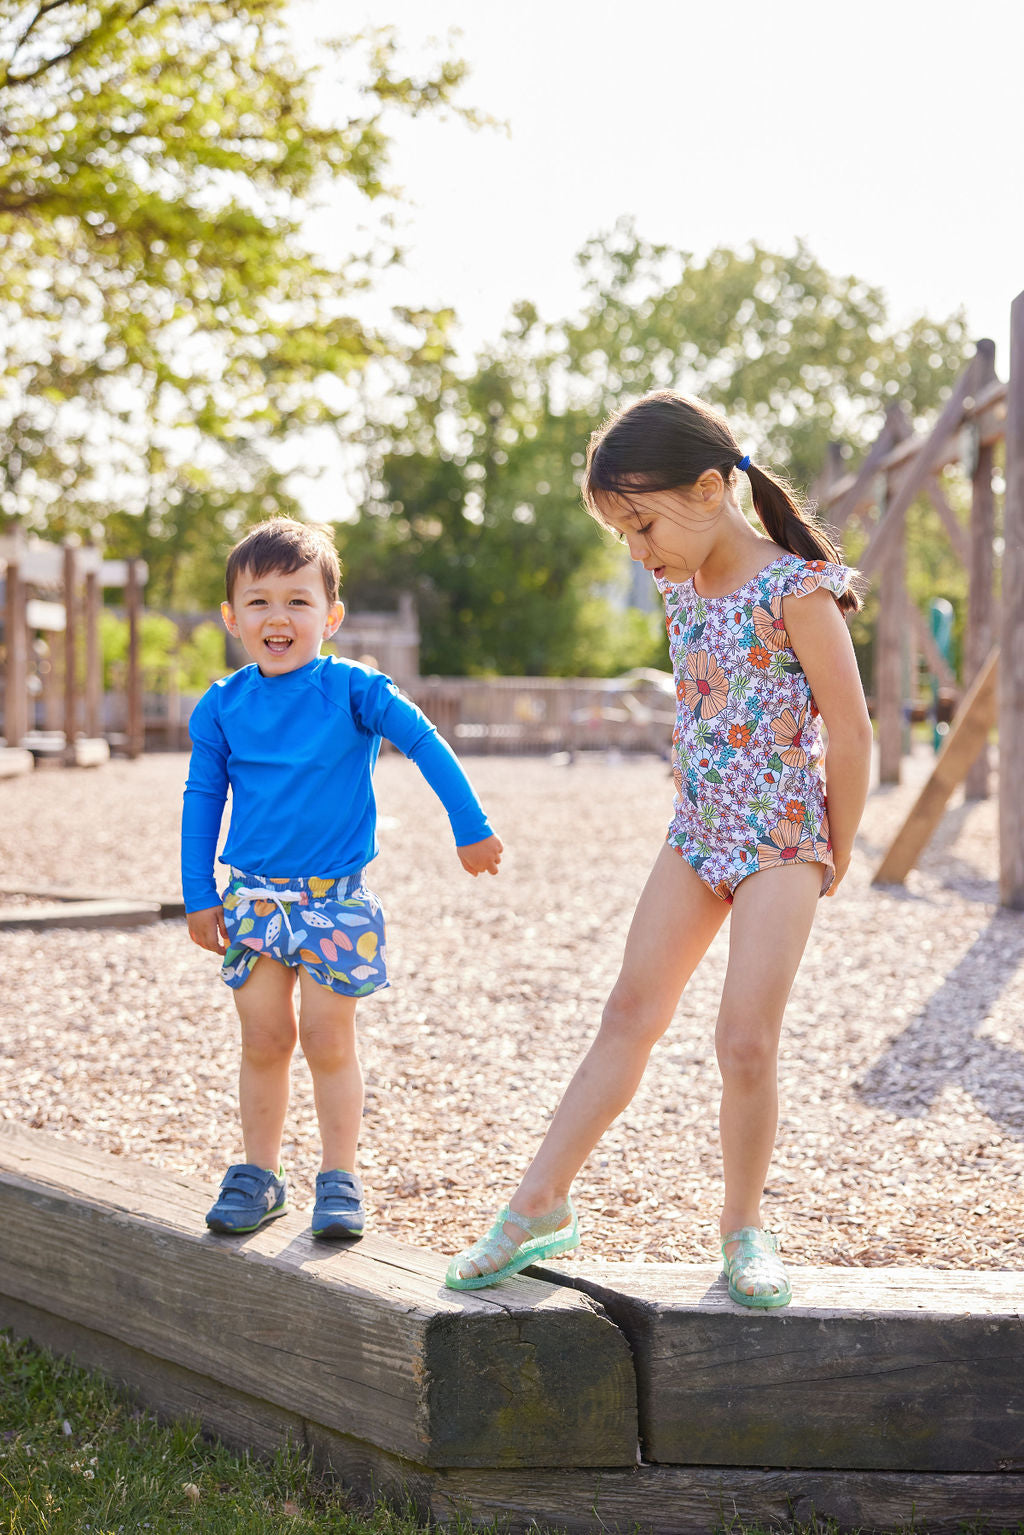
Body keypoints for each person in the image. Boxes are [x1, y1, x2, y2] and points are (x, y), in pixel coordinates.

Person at [446, 391, 873, 1308]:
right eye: (624, 535)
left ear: (713, 487)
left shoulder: (797, 587)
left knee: (744, 1041)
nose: (639, 551)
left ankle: (744, 1225)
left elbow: (853, 728)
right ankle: (537, 1204)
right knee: (629, 1009)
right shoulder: (678, 583)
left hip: (783, 838)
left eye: (642, 525)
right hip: (699, 832)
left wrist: (834, 846)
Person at [182, 517, 502, 1240]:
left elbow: (424, 740)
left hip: (334, 903)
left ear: (331, 615)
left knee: (329, 1040)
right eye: (258, 602)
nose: (278, 617)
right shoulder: (222, 706)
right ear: (232, 618)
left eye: (298, 601)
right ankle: (259, 1174)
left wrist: (470, 824)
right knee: (264, 1038)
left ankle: (339, 1177)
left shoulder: (354, 689)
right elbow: (203, 798)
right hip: (254, 900)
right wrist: (199, 892)